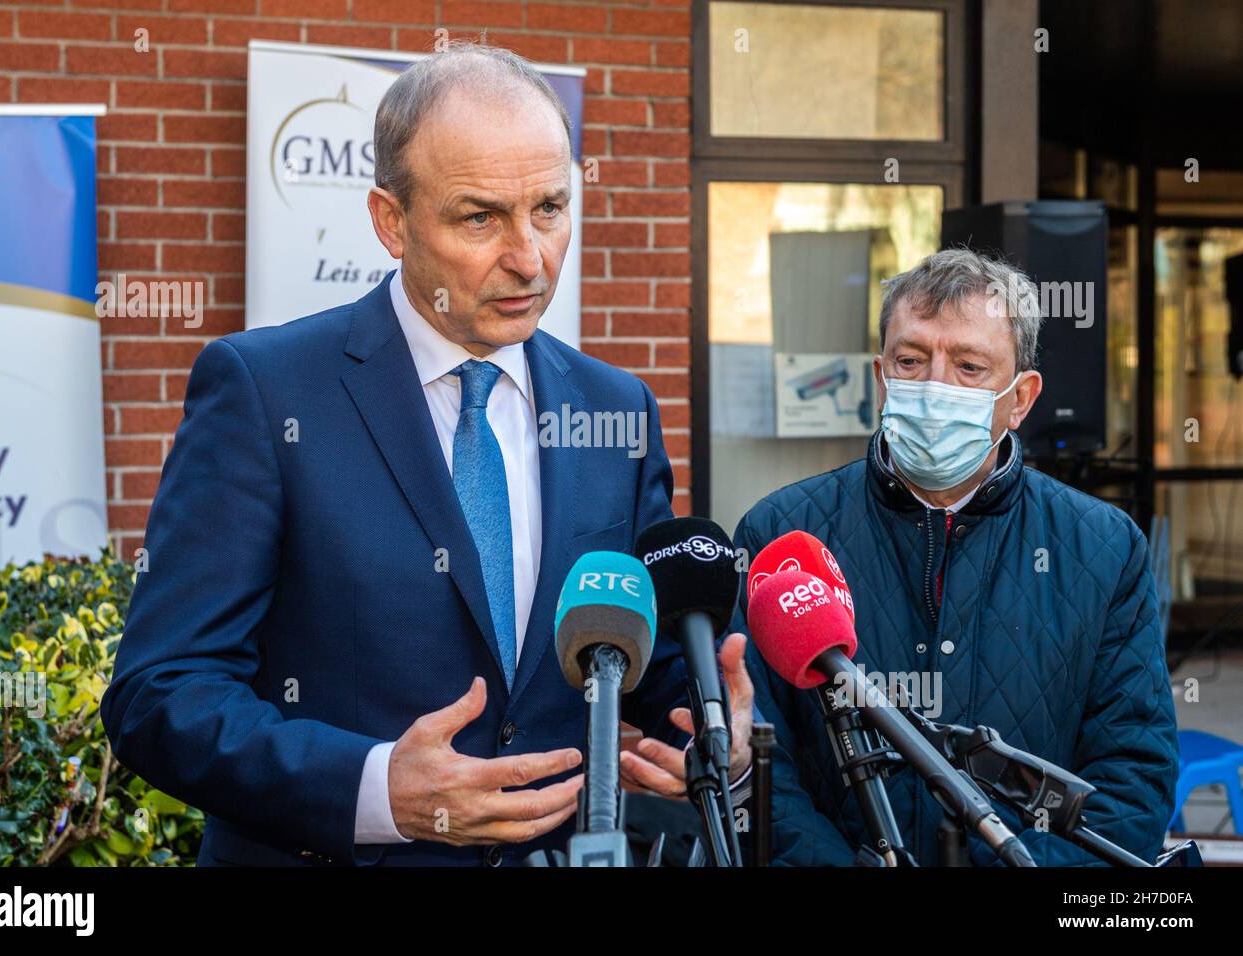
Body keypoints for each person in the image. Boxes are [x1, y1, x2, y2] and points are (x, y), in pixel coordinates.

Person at [102, 41, 752, 867]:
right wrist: (375, 788)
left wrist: (712, 727)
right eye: (480, 217)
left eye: (550, 207)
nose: (530, 255)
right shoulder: (265, 392)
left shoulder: (615, 407)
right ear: (391, 221)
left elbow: (633, 658)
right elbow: (159, 696)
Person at [732, 247, 1178, 866]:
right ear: (881, 376)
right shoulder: (782, 535)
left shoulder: (1103, 548)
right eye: (911, 360)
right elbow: (758, 761)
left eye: (969, 367)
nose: (935, 387)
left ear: (1020, 398)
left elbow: (1133, 778)